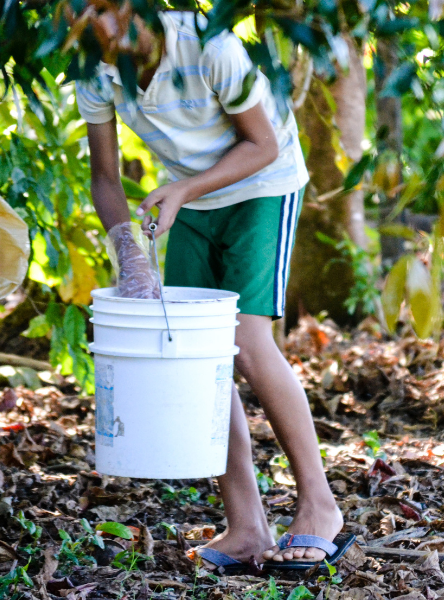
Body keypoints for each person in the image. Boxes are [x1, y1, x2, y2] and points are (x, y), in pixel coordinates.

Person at [76, 10, 348, 571]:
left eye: (97, 6)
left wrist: (182, 189)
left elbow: (263, 145)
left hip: (261, 187)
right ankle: (246, 524)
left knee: (246, 342)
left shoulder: (208, 45)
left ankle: (320, 505)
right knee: (198, 355)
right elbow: (104, 176)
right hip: (190, 201)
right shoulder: (93, 69)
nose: (85, 20)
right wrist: (128, 251)